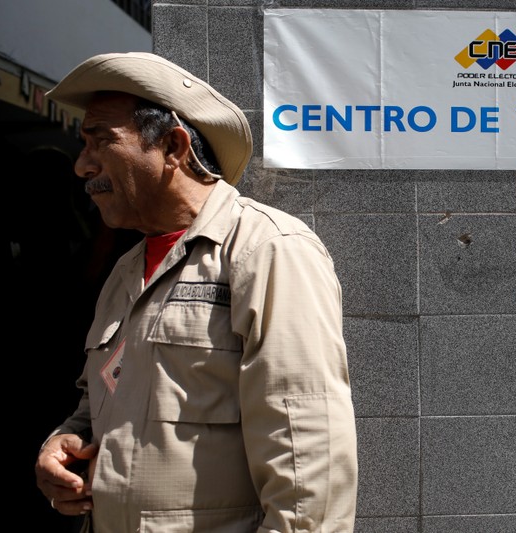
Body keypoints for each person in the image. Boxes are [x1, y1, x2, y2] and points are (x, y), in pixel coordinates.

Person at [34, 52, 358, 533]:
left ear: (173, 146)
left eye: (101, 141)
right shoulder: (126, 271)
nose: (83, 165)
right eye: (83, 145)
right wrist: (66, 441)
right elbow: (105, 396)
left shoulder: (267, 249)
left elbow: (306, 452)